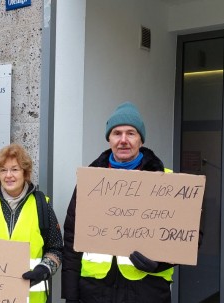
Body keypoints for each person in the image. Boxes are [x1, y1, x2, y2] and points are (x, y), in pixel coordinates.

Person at [61, 102, 175, 303]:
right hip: (95, 292)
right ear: (109, 139)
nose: (123, 140)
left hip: (147, 291)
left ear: (141, 139)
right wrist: (70, 297)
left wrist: (160, 263)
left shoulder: (166, 182)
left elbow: (187, 238)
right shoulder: (90, 182)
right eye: (116, 133)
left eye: (131, 133)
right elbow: (71, 240)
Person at [0, 143, 63, 303]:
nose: (8, 175)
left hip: (32, 297)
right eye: (3, 170)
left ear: (25, 173)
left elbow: (56, 248)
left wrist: (44, 268)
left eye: (15, 169)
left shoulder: (41, 205)